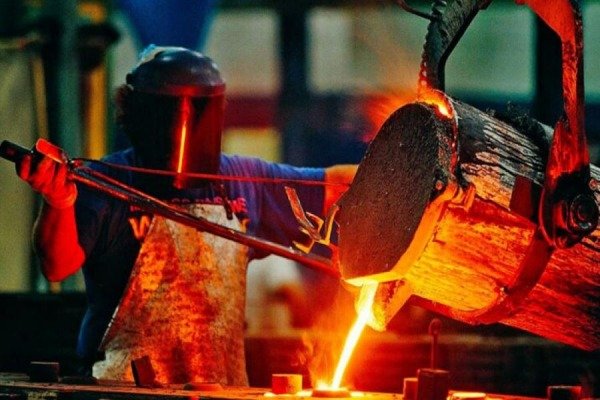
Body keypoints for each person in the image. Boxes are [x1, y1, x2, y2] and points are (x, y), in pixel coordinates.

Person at [15, 45, 356, 386]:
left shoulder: (244, 181)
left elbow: (333, 187)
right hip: (122, 389)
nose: (183, 130)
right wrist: (58, 200)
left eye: (196, 114)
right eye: (171, 115)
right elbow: (57, 265)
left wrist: (389, 167)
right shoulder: (107, 183)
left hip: (218, 389)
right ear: (139, 114)